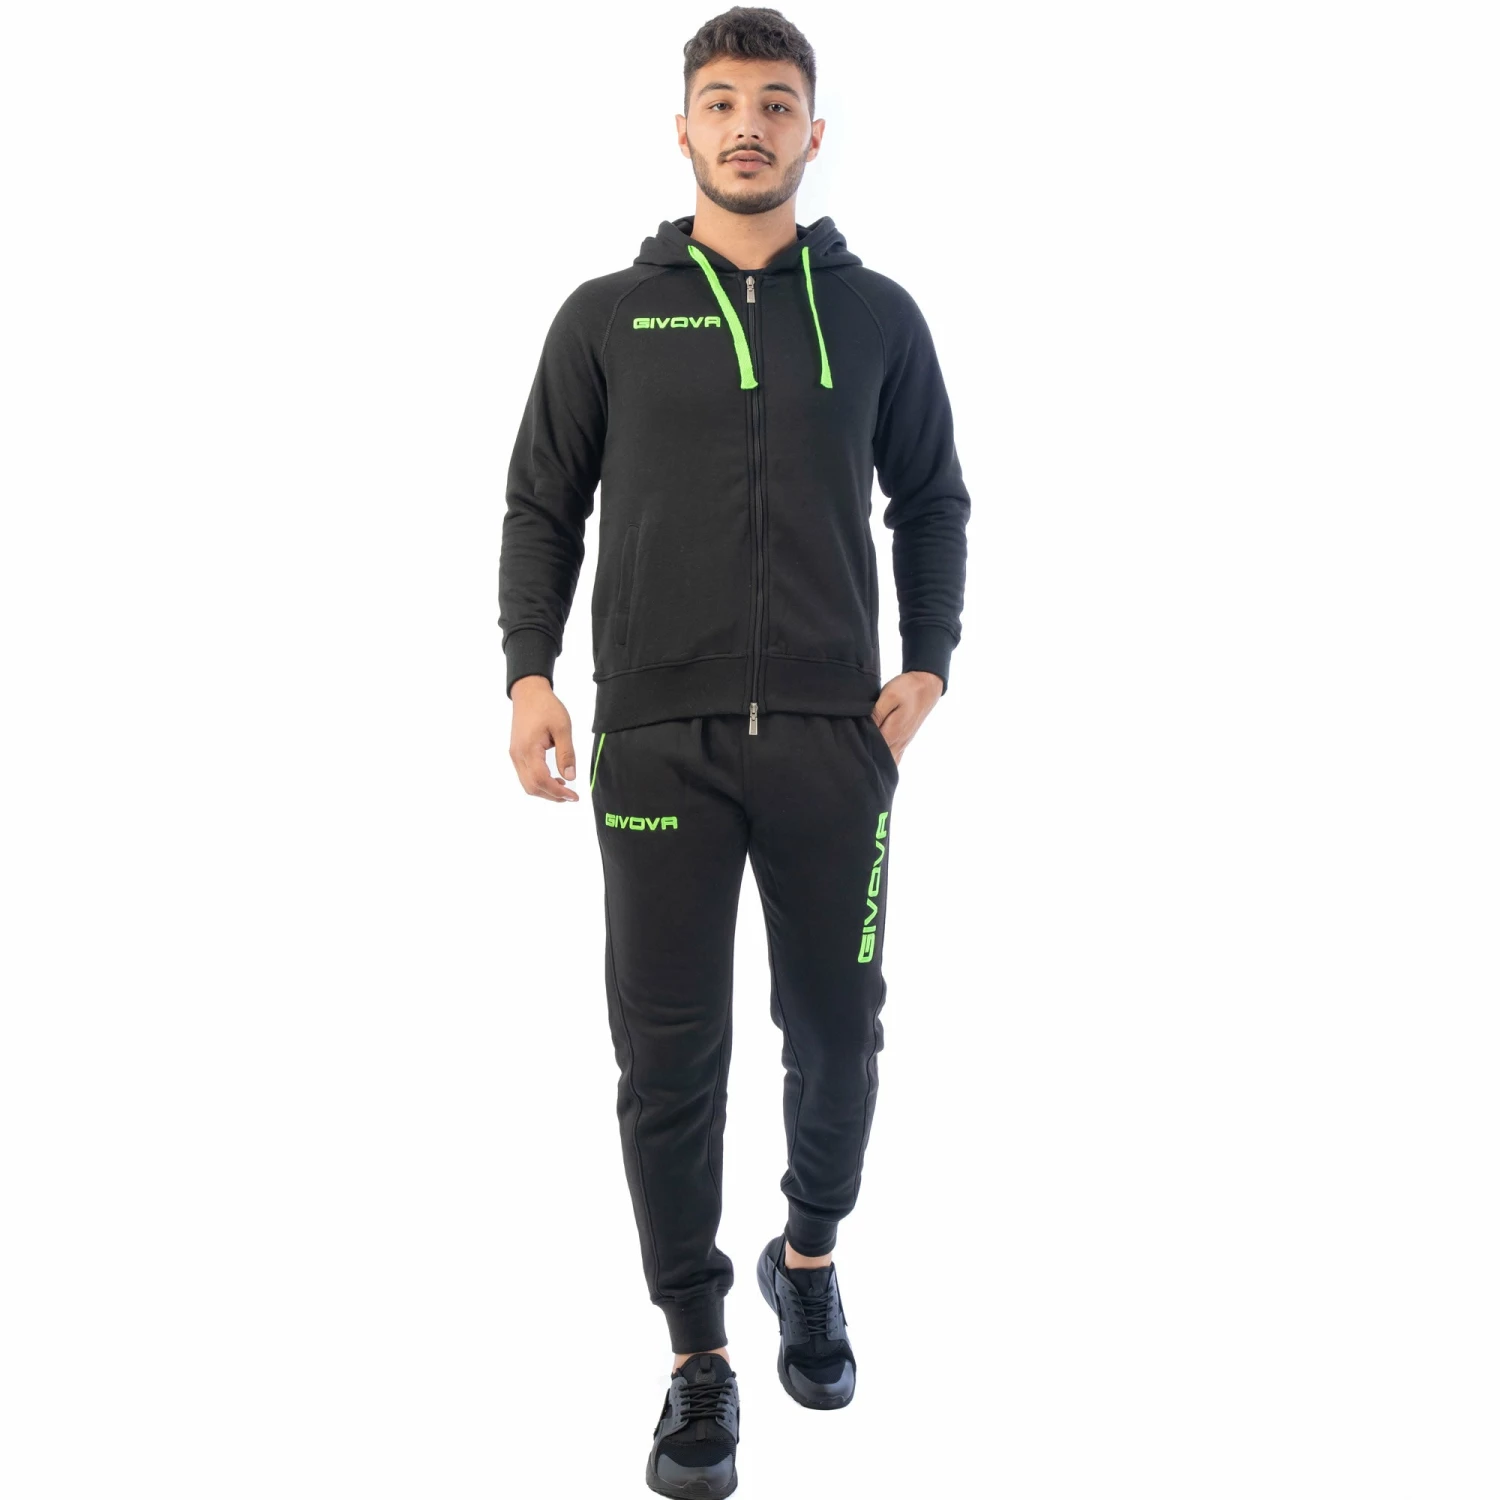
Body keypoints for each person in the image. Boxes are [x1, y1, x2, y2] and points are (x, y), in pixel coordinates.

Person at [498, 8, 970, 1495]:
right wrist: (529, 674)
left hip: (835, 740)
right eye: (721, 101)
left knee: (838, 1035)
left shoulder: (877, 315)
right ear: (683, 129)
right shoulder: (605, 317)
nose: (748, 124)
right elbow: (540, 504)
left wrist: (928, 663)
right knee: (669, 1056)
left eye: (775, 102)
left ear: (814, 133)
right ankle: (696, 1353)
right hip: (657, 741)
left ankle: (806, 1257)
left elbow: (934, 499)